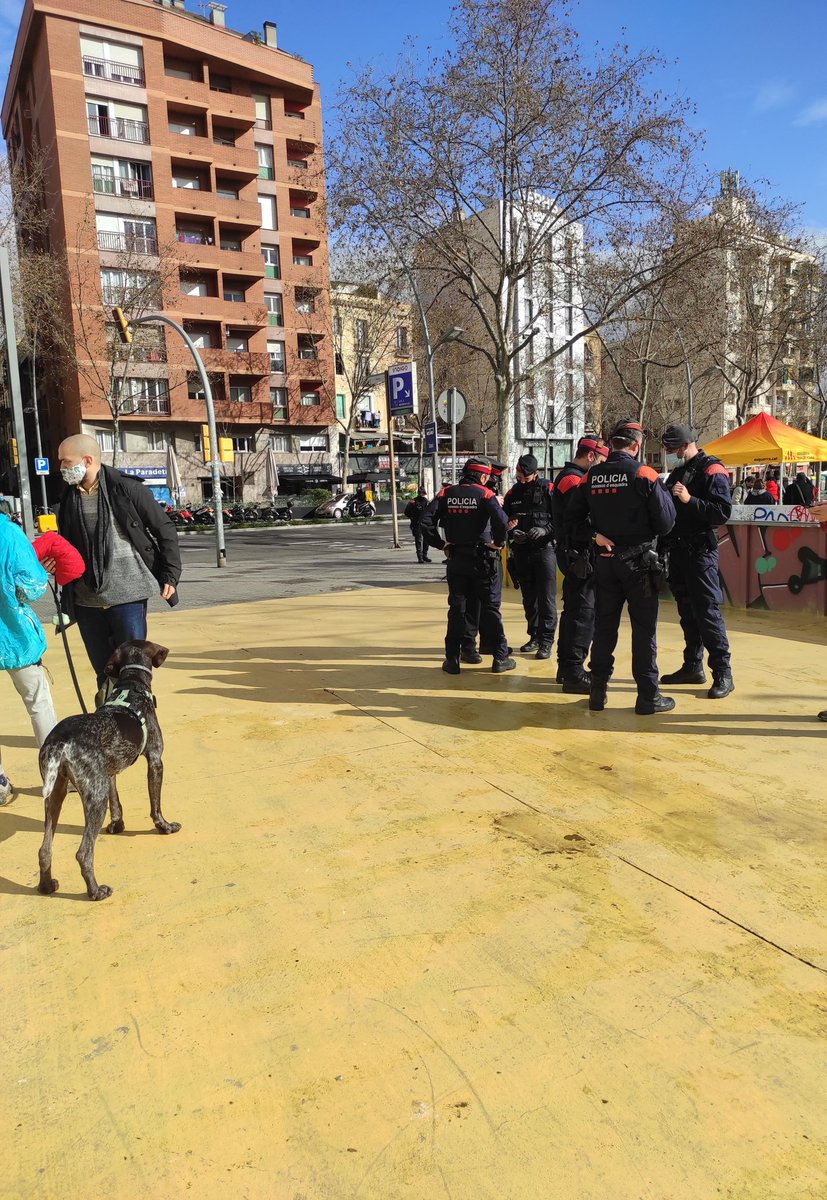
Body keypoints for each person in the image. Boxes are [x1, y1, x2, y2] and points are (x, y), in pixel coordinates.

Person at [565, 419, 677, 714]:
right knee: (644, 631)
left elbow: (571, 520)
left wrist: (594, 536)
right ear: (636, 446)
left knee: (604, 627)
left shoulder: (591, 477)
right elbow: (666, 523)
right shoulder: (644, 473)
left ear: (611, 444)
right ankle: (648, 697)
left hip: (605, 562)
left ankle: (598, 692)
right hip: (641, 563)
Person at [55, 434, 181, 694]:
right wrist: (56, 561)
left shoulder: (127, 489)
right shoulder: (68, 496)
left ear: (87, 460)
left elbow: (164, 528)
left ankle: (137, 723)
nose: (61, 468)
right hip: (86, 598)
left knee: (132, 671)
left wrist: (170, 574)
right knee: (104, 672)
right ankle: (108, 724)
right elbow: (68, 544)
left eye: (65, 462)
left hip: (129, 596)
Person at [420, 456, 515, 674]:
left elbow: (425, 522)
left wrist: (440, 543)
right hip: (483, 560)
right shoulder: (486, 494)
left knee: (457, 609)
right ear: (483, 476)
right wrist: (498, 544)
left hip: (456, 559)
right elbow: (501, 521)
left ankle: (453, 659)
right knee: (490, 608)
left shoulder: (446, 493)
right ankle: (500, 657)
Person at [659, 424, 734, 700]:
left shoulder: (713, 470)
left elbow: (721, 513)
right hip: (679, 552)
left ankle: (723, 673)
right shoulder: (678, 472)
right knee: (687, 612)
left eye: (672, 448)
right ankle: (692, 666)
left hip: (701, 553)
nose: (670, 454)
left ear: (684, 445)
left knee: (707, 612)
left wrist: (690, 499)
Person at [0, 505, 58, 803]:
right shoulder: (8, 533)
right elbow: (32, 585)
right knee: (38, 701)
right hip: (12, 634)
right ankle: (56, 773)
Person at [552, 436, 609, 692]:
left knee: (575, 611)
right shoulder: (574, 480)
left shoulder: (568, 476)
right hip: (579, 554)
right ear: (590, 456)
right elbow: (577, 519)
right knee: (583, 613)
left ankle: (567, 668)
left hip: (573, 552)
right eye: (601, 460)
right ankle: (573, 673)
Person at [503, 453, 557, 659]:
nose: (522, 479)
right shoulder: (512, 494)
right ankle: (534, 635)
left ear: (536, 473)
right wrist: (511, 533)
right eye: (519, 475)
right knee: (528, 598)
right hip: (522, 552)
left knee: (546, 599)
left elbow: (561, 519)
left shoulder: (549, 490)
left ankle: (546, 641)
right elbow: (503, 520)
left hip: (545, 551)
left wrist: (546, 530)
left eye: (526, 476)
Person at [404, 486, 432, 563]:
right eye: (421, 493)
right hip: (418, 523)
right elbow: (407, 512)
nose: (422, 495)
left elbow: (431, 512)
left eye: (422, 493)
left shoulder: (426, 502)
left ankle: (424, 556)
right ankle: (421, 557)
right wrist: (413, 518)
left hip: (424, 523)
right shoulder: (414, 502)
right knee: (420, 540)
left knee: (425, 540)